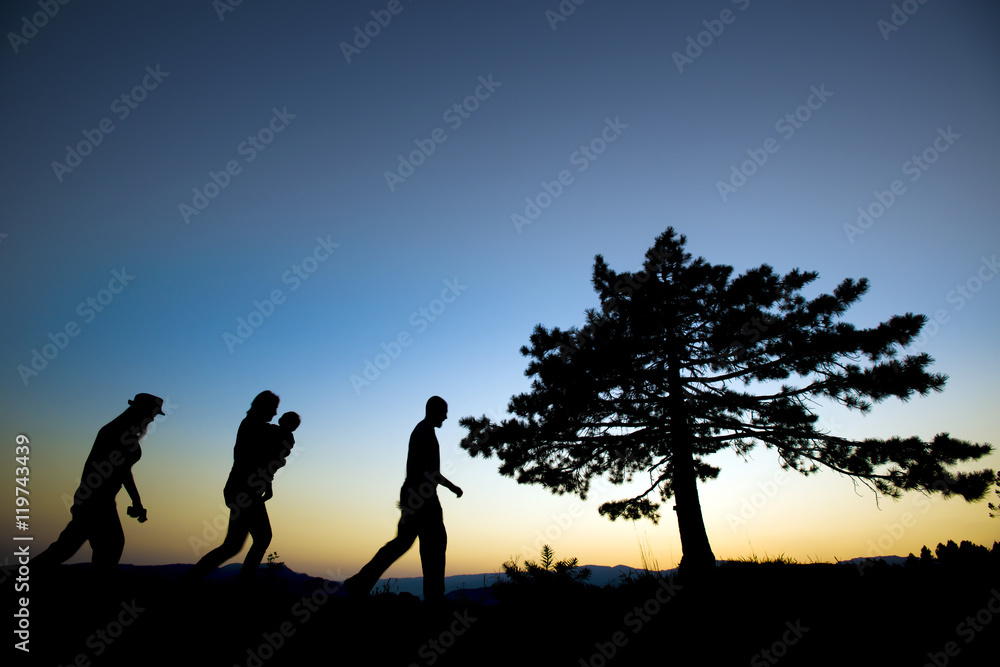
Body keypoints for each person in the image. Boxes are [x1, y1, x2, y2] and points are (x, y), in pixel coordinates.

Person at [345, 396, 462, 602]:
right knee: (434, 544)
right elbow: (431, 471)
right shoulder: (425, 432)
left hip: (412, 493)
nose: (446, 416)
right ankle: (434, 597)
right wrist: (452, 487)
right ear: (433, 410)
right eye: (443, 411)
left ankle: (359, 583)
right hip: (423, 496)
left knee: (403, 542)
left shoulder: (421, 430)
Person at [33, 393, 165, 574]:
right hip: (97, 500)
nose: (152, 418)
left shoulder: (118, 431)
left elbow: (123, 471)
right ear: (141, 412)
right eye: (152, 413)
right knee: (107, 546)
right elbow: (123, 471)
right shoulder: (119, 434)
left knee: (70, 548)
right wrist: (136, 501)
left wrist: (136, 501)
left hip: (97, 498)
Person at [184, 391, 291, 586]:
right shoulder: (255, 427)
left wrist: (268, 483)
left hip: (242, 489)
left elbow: (269, 460)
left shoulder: (259, 427)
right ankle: (242, 586)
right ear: (264, 407)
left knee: (233, 545)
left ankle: (191, 579)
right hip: (244, 490)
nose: (276, 414)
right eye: (274, 409)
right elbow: (261, 459)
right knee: (261, 537)